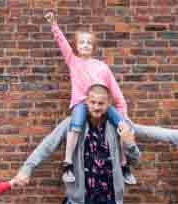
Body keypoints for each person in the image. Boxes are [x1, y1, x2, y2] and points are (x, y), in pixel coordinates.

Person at [45, 11, 135, 186]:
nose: (85, 45)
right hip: (81, 103)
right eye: (82, 42)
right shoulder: (73, 61)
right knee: (75, 126)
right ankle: (68, 163)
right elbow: (62, 43)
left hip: (102, 105)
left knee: (123, 127)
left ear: (93, 47)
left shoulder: (102, 67)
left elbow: (116, 93)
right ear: (77, 46)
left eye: (89, 43)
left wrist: (123, 114)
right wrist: (54, 24)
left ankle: (124, 165)